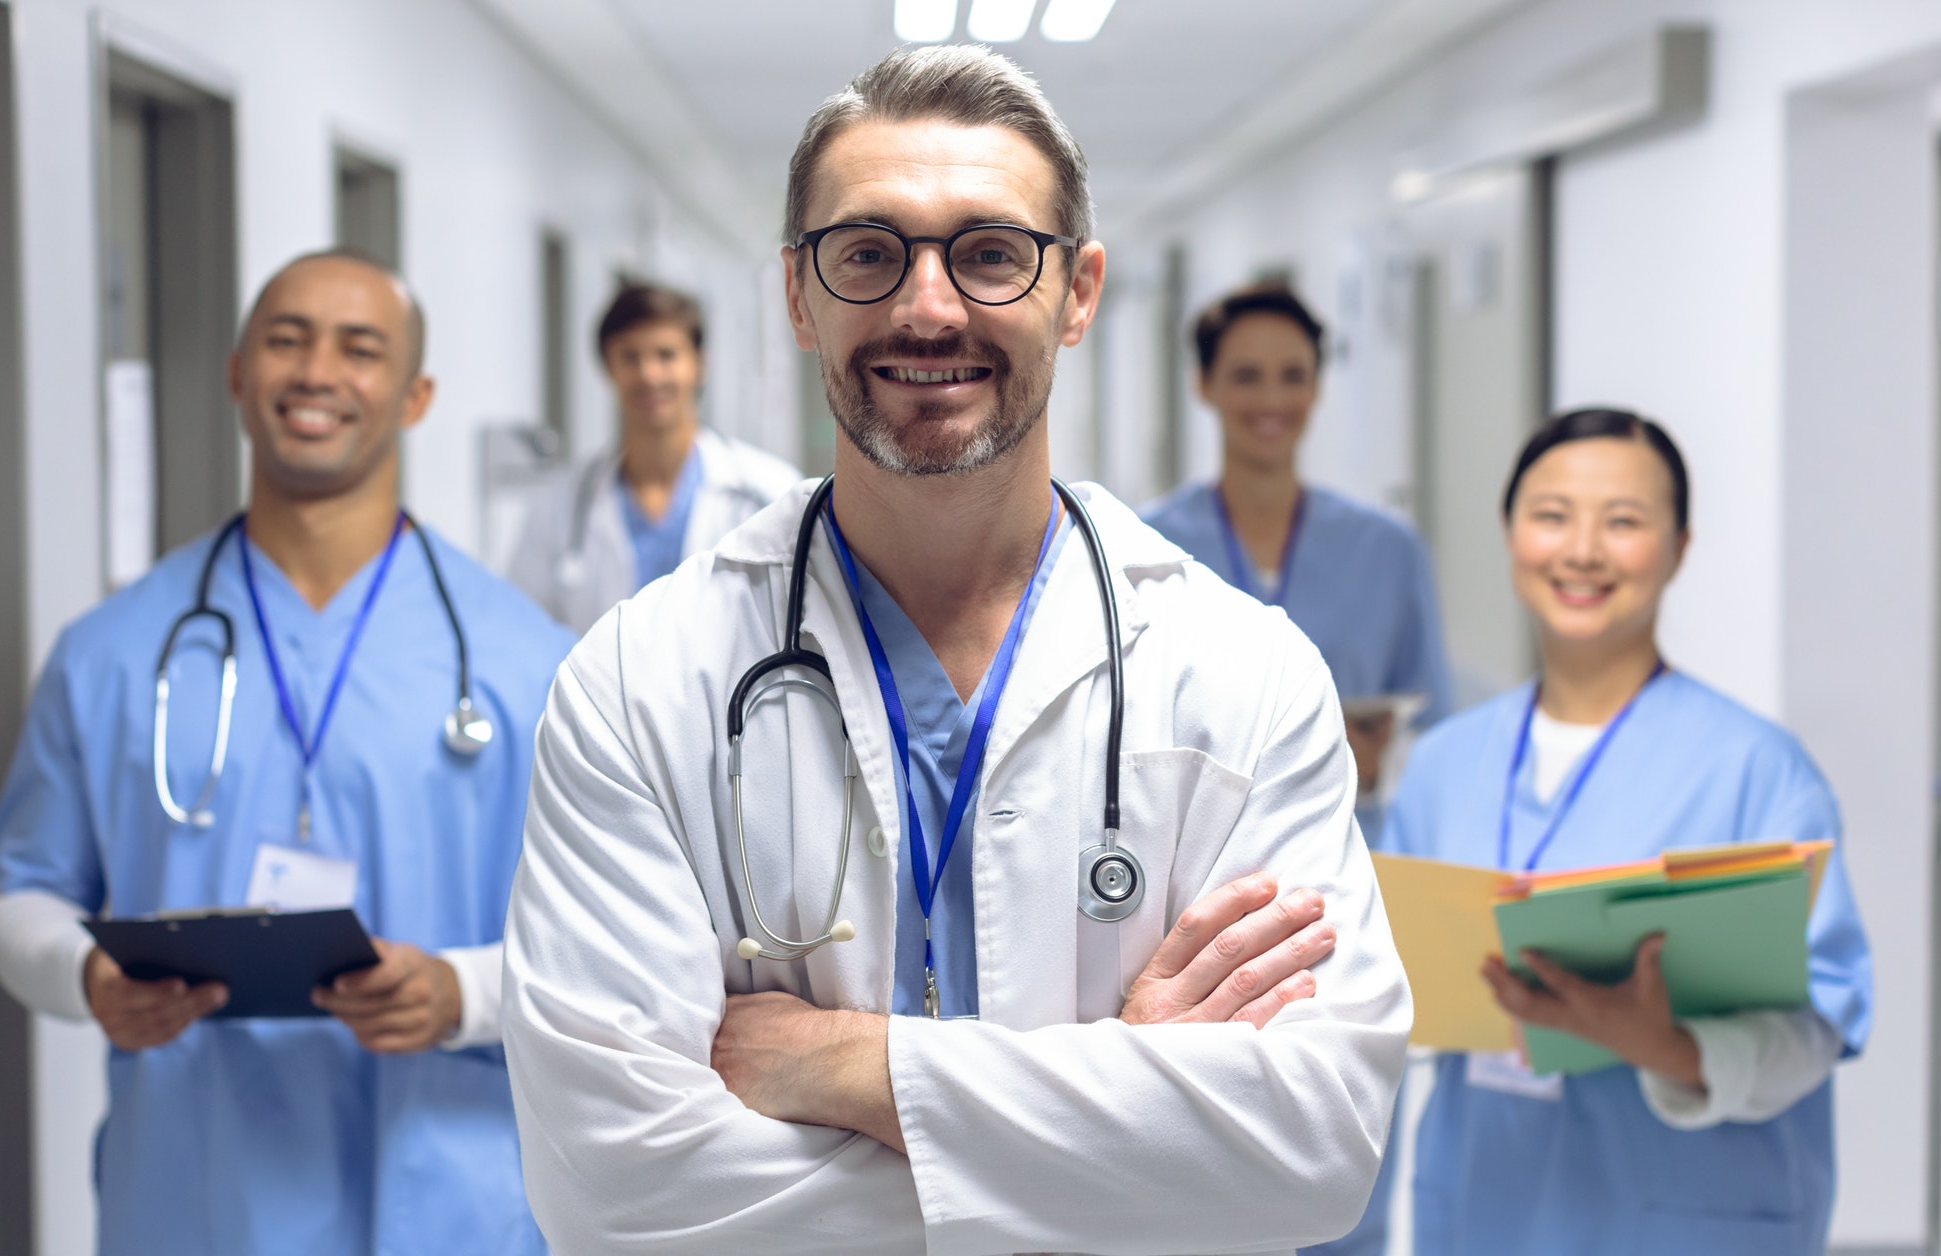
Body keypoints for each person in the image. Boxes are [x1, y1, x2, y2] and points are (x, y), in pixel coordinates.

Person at [503, 45, 1411, 1255]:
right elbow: (611, 1189)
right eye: (868, 252)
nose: (926, 306)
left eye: (988, 253)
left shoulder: (1241, 674)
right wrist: (1125, 1117)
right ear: (797, 293)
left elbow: (1314, 1146)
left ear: (1076, 290)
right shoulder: (638, 682)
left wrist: (857, 1066)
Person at [0, 250, 574, 1255]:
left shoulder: (531, 662)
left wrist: (460, 991)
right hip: (195, 1192)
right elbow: (19, 892)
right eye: (286, 340)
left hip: (449, 1200)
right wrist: (85, 973)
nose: (315, 373)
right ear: (236, 371)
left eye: (360, 347)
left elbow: (618, 952)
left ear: (414, 394)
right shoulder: (114, 651)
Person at [1379, 408, 1872, 1255]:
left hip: (1684, 1219)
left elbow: (1817, 1027)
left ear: (1679, 547)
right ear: (1510, 533)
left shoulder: (1757, 769)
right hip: (1484, 1206)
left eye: (1624, 522)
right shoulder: (1441, 765)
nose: (1582, 550)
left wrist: (1674, 1047)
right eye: (1552, 515)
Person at [1144, 283, 1451, 838]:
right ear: (1204, 385)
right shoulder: (1146, 544)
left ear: (1317, 388)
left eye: (1293, 376)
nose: (1272, 401)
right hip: (1193, 846)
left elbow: (1434, 730)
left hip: (1350, 842)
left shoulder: (1387, 549)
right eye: (1246, 376)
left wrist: (1382, 758)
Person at [507, 278, 799, 631]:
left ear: (699, 365)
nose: (648, 374)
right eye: (630, 357)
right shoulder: (561, 506)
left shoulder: (770, 493)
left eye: (666, 355)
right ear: (608, 368)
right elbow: (520, 629)